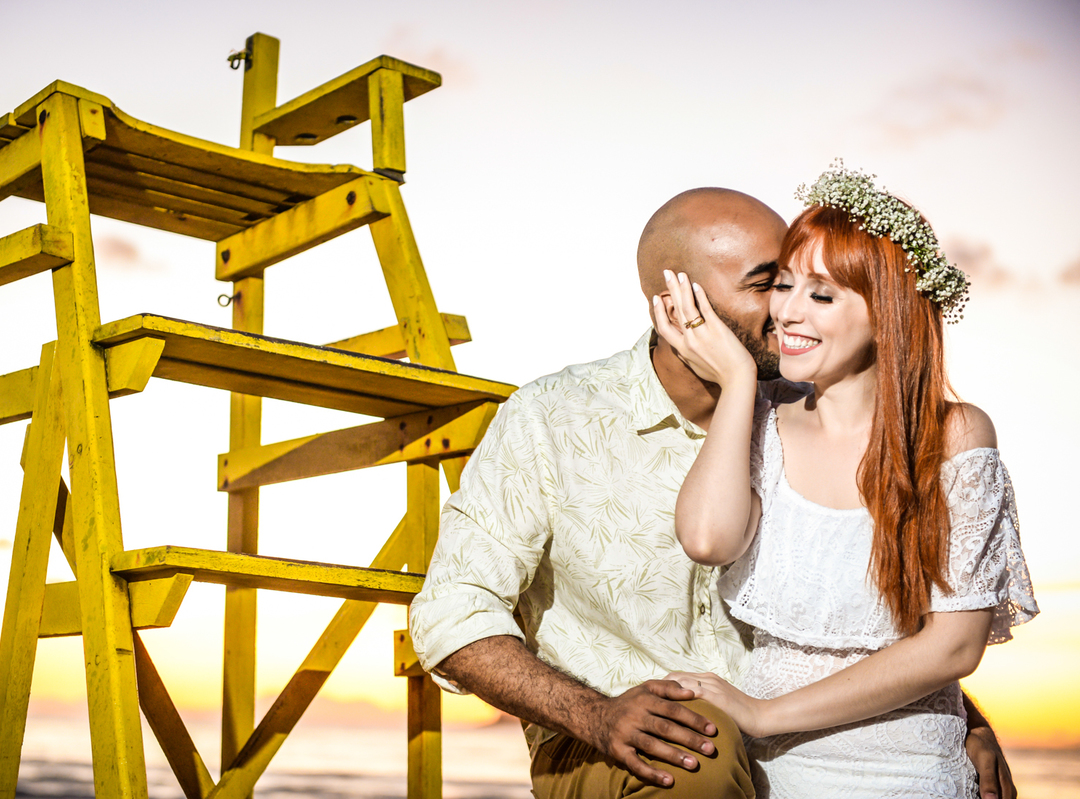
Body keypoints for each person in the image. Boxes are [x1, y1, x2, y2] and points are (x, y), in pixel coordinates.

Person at [410, 186, 1019, 798]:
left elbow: (851, 612)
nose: (785, 308)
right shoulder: (552, 417)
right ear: (673, 303)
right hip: (615, 737)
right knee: (700, 751)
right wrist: (595, 715)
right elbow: (451, 613)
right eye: (769, 284)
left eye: (805, 284)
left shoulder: (799, 413)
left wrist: (959, 716)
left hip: (783, 734)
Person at [652, 165, 1038, 797]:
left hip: (909, 768)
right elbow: (706, 539)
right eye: (782, 286)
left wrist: (761, 714)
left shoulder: (957, 436)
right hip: (771, 773)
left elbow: (953, 648)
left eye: (822, 296)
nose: (786, 313)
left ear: (886, 315)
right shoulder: (761, 424)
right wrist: (740, 384)